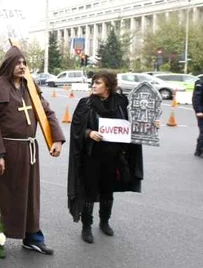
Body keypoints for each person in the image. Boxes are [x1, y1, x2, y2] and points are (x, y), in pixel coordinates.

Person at [0, 46, 65, 255]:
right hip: (8, 151)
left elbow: (47, 112)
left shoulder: (30, 88)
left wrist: (57, 139)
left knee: (31, 195)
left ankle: (32, 237)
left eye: (24, 63)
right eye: (17, 62)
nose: (21, 66)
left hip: (29, 150)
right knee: (6, 196)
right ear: (8, 64)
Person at [67, 70, 156, 244]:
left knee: (108, 190)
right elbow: (76, 128)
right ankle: (86, 226)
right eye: (93, 82)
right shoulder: (85, 104)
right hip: (91, 156)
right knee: (89, 191)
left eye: (98, 83)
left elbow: (134, 121)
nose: (94, 85)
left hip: (113, 155)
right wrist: (89, 132)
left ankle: (105, 222)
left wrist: (151, 124)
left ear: (108, 85)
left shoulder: (121, 102)